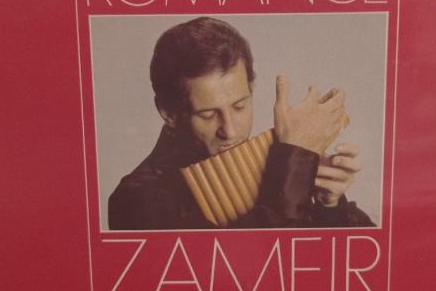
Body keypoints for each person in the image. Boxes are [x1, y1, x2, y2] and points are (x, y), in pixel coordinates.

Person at [108, 17, 373, 230]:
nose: (230, 130)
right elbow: (244, 266)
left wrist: (329, 205)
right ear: (169, 113)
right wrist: (293, 165)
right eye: (208, 114)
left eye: (240, 106)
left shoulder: (283, 162)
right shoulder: (136, 200)